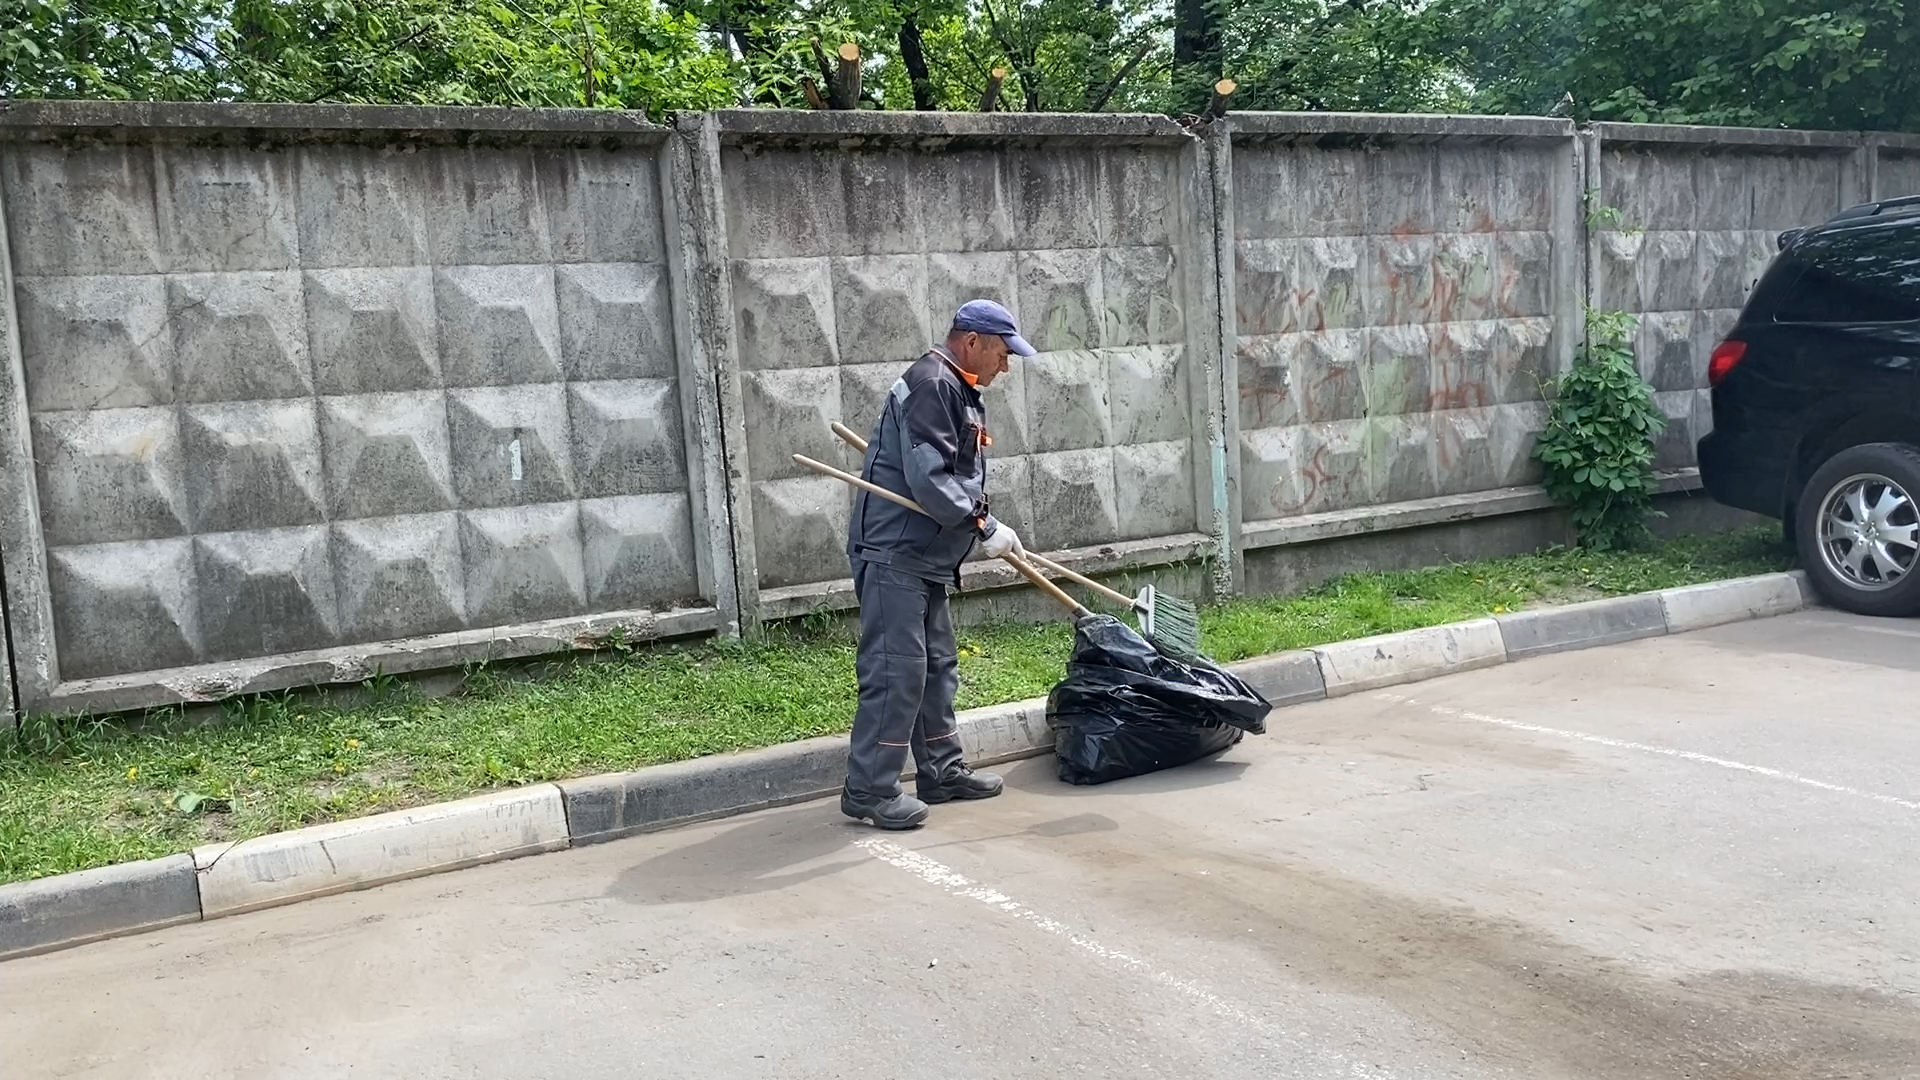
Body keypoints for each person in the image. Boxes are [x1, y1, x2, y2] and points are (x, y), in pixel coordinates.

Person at [841, 299, 1036, 830]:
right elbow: (930, 479)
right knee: (896, 671)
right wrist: (983, 523)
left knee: (936, 665)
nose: (1006, 364)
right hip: (896, 551)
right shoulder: (933, 384)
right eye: (1002, 352)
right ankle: (870, 790)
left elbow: (950, 470)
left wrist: (979, 521)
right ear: (972, 342)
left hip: (924, 554)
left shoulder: (957, 387)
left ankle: (942, 770)